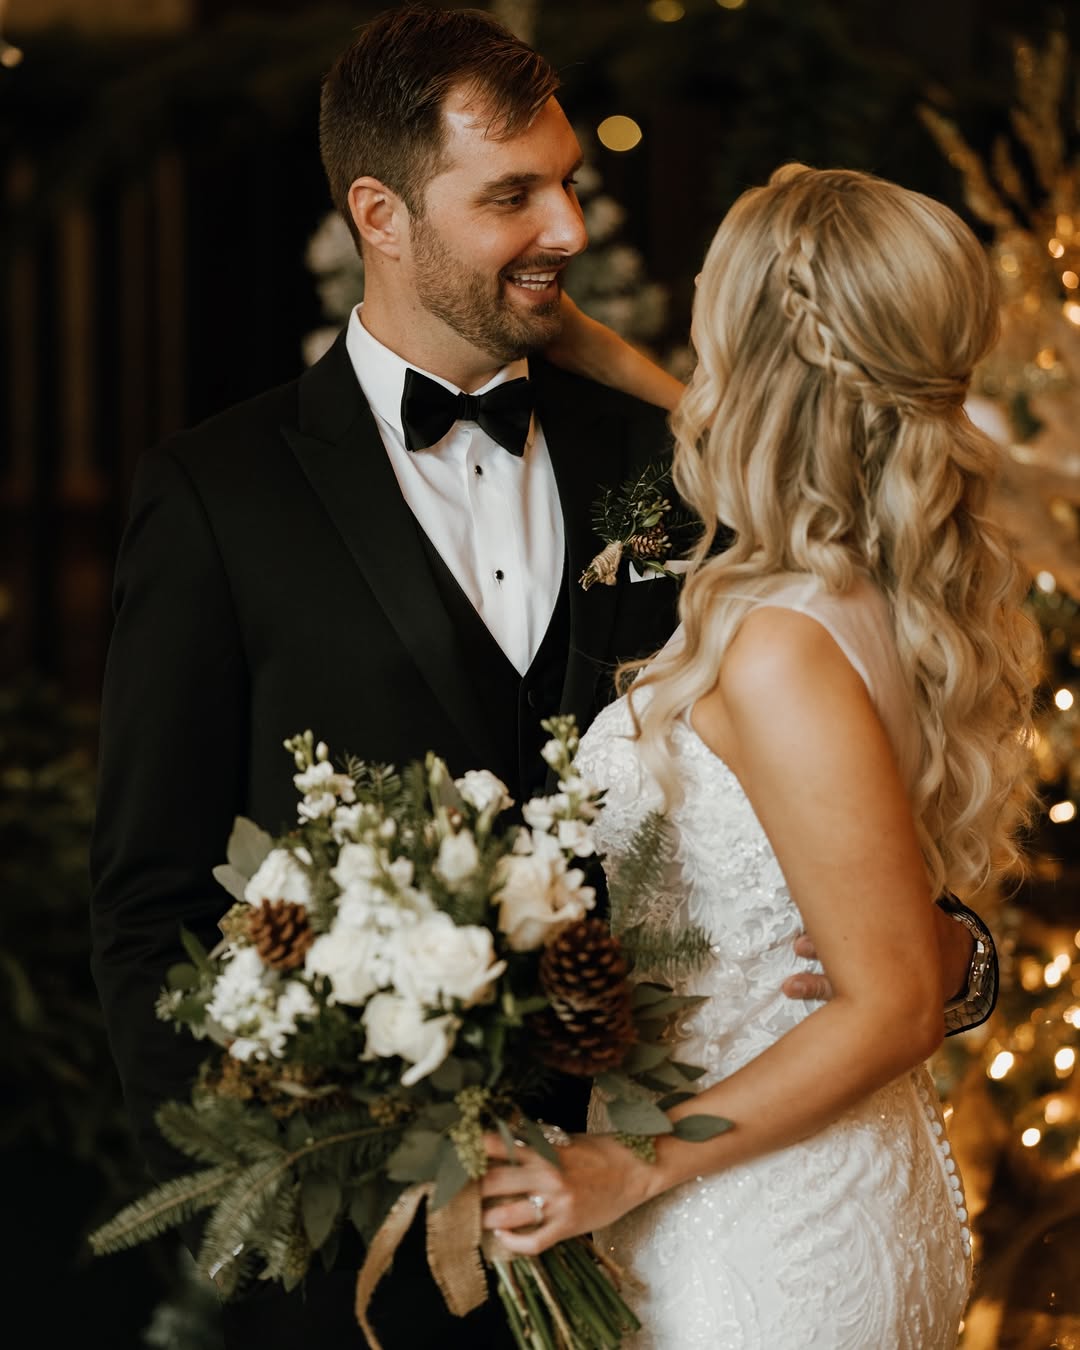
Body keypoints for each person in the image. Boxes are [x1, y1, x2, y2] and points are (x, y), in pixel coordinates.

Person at [88, 5, 995, 1345]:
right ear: (380, 215)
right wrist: (278, 1200)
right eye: (513, 193)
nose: (567, 227)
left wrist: (949, 953)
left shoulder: (683, 473)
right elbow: (150, 902)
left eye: (568, 180)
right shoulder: (219, 501)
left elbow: (836, 764)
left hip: (679, 1213)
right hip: (375, 1257)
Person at [478, 163, 1041, 1348]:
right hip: (836, 1182)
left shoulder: (780, 647)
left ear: (760, 360)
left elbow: (891, 1004)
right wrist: (570, 335)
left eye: (710, 309)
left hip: (757, 1235)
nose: (691, 333)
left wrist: (627, 1168)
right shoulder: (869, 579)